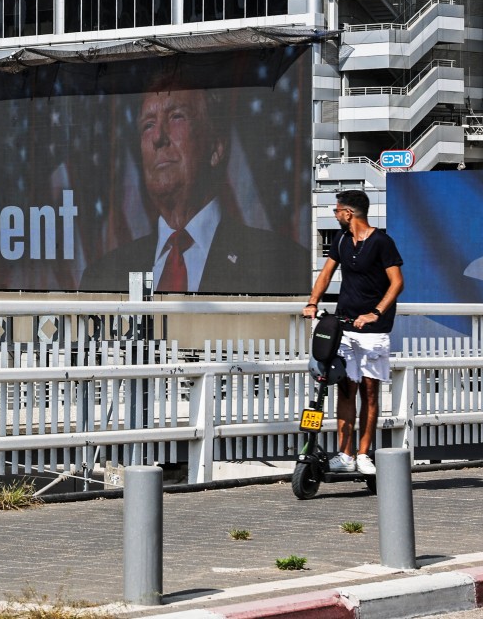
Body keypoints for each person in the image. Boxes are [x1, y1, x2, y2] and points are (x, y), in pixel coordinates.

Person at [79, 77, 308, 294]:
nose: (158, 136)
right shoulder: (101, 275)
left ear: (216, 148)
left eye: (176, 117)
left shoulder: (281, 262)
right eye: (148, 125)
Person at [302, 190, 404, 475]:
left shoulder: (382, 242)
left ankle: (363, 453)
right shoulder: (342, 240)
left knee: (370, 393)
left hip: (374, 329)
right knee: (345, 390)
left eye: (336, 211)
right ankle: (344, 454)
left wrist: (376, 312)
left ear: (349, 213)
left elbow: (397, 283)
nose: (335, 215)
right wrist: (313, 302)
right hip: (345, 326)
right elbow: (326, 273)